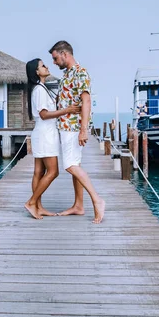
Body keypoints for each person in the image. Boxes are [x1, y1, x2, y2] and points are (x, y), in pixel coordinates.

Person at [49, 40, 106, 224]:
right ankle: (78, 205)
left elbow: (86, 101)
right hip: (66, 127)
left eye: (56, 58)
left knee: (70, 165)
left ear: (65, 54)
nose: (54, 62)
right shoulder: (67, 75)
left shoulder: (80, 72)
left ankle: (97, 200)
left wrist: (83, 130)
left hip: (73, 127)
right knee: (75, 165)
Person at [24, 58, 80, 220]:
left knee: (39, 171)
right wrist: (67, 110)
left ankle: (38, 207)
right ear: (36, 71)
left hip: (42, 133)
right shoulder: (40, 90)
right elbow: (44, 114)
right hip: (46, 135)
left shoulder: (41, 88)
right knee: (53, 171)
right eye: (43, 66)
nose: (47, 67)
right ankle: (32, 202)